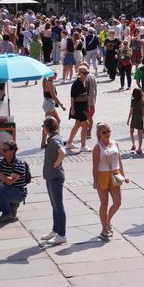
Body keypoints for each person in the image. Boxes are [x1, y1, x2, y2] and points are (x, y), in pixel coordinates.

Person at [92, 123, 128, 240]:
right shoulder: (97, 147)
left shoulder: (115, 144)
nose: (107, 134)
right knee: (104, 203)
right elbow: (95, 165)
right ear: (99, 134)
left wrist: (123, 175)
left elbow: (119, 161)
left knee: (118, 202)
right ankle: (104, 228)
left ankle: (107, 221)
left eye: (108, 131)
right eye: (104, 132)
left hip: (115, 174)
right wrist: (95, 180)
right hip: (102, 175)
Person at [40, 117, 67, 245]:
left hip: (55, 177)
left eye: (43, 126)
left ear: (47, 127)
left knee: (58, 205)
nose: (43, 128)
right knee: (54, 205)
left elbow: (63, 152)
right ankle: (55, 230)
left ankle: (62, 234)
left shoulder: (55, 139)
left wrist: (57, 163)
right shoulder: (52, 138)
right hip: (51, 176)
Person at [66, 65, 91, 152]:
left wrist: (88, 106)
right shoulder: (76, 84)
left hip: (84, 106)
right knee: (85, 125)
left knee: (77, 125)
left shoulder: (87, 82)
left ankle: (69, 143)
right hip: (78, 107)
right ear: (79, 73)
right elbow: (72, 97)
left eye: (87, 72)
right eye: (84, 73)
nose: (86, 74)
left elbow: (87, 95)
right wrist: (72, 109)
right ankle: (83, 146)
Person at [41, 72, 65, 148]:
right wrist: (61, 105)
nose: (56, 75)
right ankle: (52, 140)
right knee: (50, 123)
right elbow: (53, 96)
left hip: (47, 103)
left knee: (55, 121)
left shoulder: (45, 81)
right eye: (55, 74)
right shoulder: (50, 83)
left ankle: (49, 141)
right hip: (50, 104)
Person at [127, 88, 144, 154]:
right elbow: (143, 111)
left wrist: (128, 119)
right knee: (140, 134)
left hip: (134, 117)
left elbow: (131, 111)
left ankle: (133, 144)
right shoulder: (142, 101)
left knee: (131, 131)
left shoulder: (133, 101)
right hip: (140, 118)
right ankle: (140, 148)